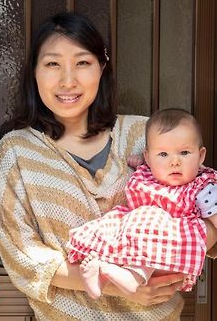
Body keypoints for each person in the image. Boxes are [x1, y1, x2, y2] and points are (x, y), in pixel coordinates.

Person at [0, 11, 217, 320]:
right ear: (34, 72)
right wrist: (119, 285)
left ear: (102, 67)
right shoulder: (17, 152)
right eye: (53, 64)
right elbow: (23, 255)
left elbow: (203, 197)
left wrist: (192, 239)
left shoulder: (145, 136)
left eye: (82, 63)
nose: (67, 80)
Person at [67, 108, 217, 300]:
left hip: (171, 244)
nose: (174, 162)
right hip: (133, 234)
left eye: (185, 152)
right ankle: (102, 271)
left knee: (160, 249)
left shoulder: (203, 188)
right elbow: (143, 165)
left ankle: (129, 276)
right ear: (148, 157)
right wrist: (139, 162)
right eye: (163, 154)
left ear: (201, 155)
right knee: (107, 230)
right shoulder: (147, 172)